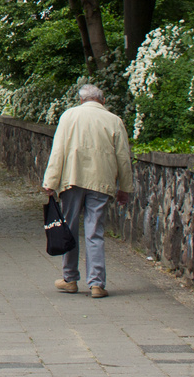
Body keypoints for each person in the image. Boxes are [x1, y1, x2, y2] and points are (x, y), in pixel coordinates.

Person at [42, 83, 134, 298]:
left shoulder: (69, 116)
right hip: (101, 182)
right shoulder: (114, 120)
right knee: (95, 232)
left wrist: (51, 181)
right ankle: (97, 284)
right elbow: (123, 157)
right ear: (102, 101)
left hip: (72, 179)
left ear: (82, 100)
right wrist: (125, 188)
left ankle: (70, 279)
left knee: (70, 228)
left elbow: (58, 150)